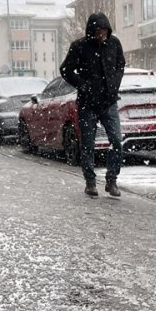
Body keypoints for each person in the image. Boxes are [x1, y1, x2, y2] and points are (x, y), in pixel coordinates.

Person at [59, 12, 126, 197]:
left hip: (109, 102)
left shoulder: (114, 44)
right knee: (88, 143)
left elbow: (121, 65)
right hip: (87, 103)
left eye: (104, 31)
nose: (101, 35)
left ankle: (112, 180)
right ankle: (90, 181)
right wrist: (83, 85)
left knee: (116, 141)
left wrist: (115, 84)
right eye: (98, 31)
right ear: (91, 31)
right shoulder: (79, 46)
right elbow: (65, 69)